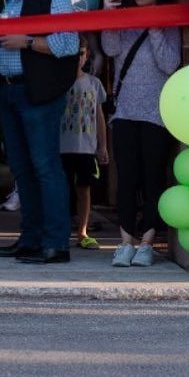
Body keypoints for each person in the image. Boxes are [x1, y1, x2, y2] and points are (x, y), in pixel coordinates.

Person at [0, 0, 79, 265]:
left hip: (39, 92)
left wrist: (26, 41)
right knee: (22, 169)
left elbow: (68, 44)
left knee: (45, 167)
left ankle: (56, 244)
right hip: (8, 91)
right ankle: (30, 239)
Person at [101, 0, 180, 268]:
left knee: (152, 178)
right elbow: (109, 48)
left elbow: (169, 63)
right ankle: (125, 242)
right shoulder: (126, 18)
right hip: (125, 111)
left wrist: (156, 28)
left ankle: (147, 242)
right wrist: (109, 14)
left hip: (156, 114)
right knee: (126, 178)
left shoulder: (169, 23)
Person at [59, 38, 108, 251]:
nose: (77, 58)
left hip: (86, 146)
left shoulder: (94, 83)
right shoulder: (58, 83)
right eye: (73, 54)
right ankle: (60, 231)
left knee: (84, 189)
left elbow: (99, 117)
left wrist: (102, 145)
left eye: (81, 53)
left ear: (87, 55)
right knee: (61, 190)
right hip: (62, 146)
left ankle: (83, 231)